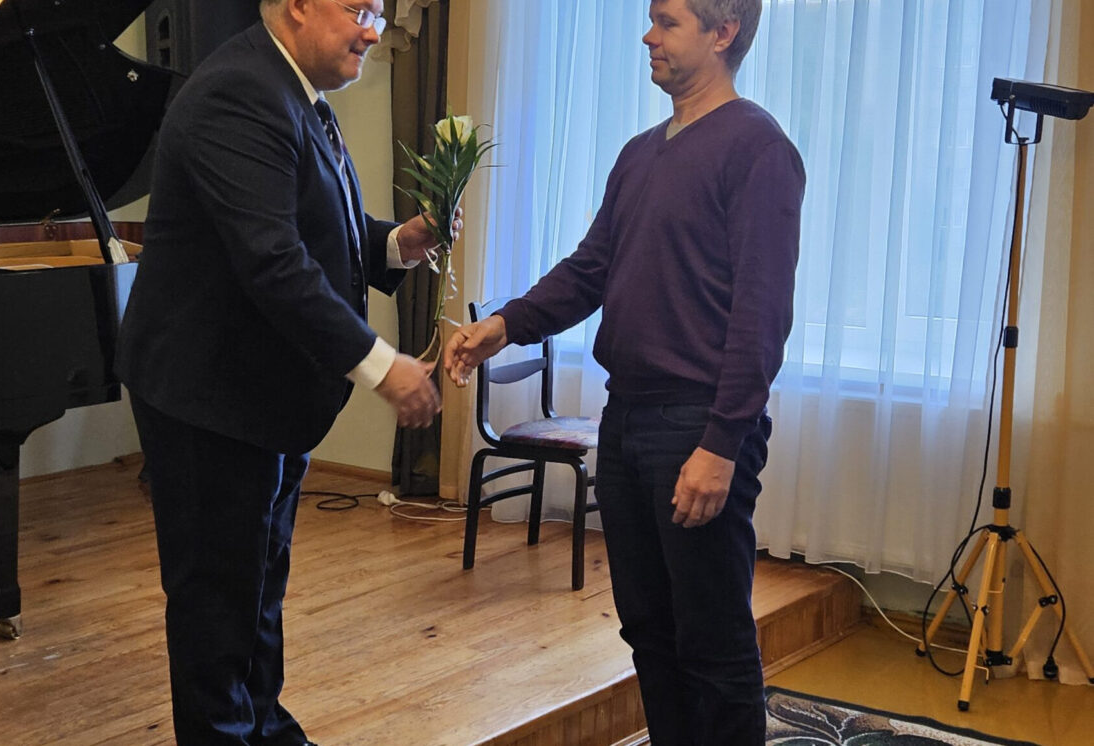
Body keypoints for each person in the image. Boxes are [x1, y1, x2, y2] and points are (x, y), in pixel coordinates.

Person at [444, 1, 804, 743]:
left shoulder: (758, 147)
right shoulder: (639, 154)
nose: (648, 36)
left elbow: (762, 313)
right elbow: (591, 270)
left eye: (668, 22)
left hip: (696, 425)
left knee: (712, 640)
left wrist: (721, 444)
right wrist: (504, 325)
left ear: (724, 32)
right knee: (648, 628)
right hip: (627, 417)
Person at [115, 0, 450, 743]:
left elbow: (319, 225)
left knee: (259, 585)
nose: (374, 29)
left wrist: (396, 243)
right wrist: (381, 365)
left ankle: (263, 726)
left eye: (380, 11)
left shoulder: (294, 90)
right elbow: (273, 259)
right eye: (359, 8)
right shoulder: (239, 91)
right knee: (216, 602)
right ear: (298, 5)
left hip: (263, 396)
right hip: (209, 396)